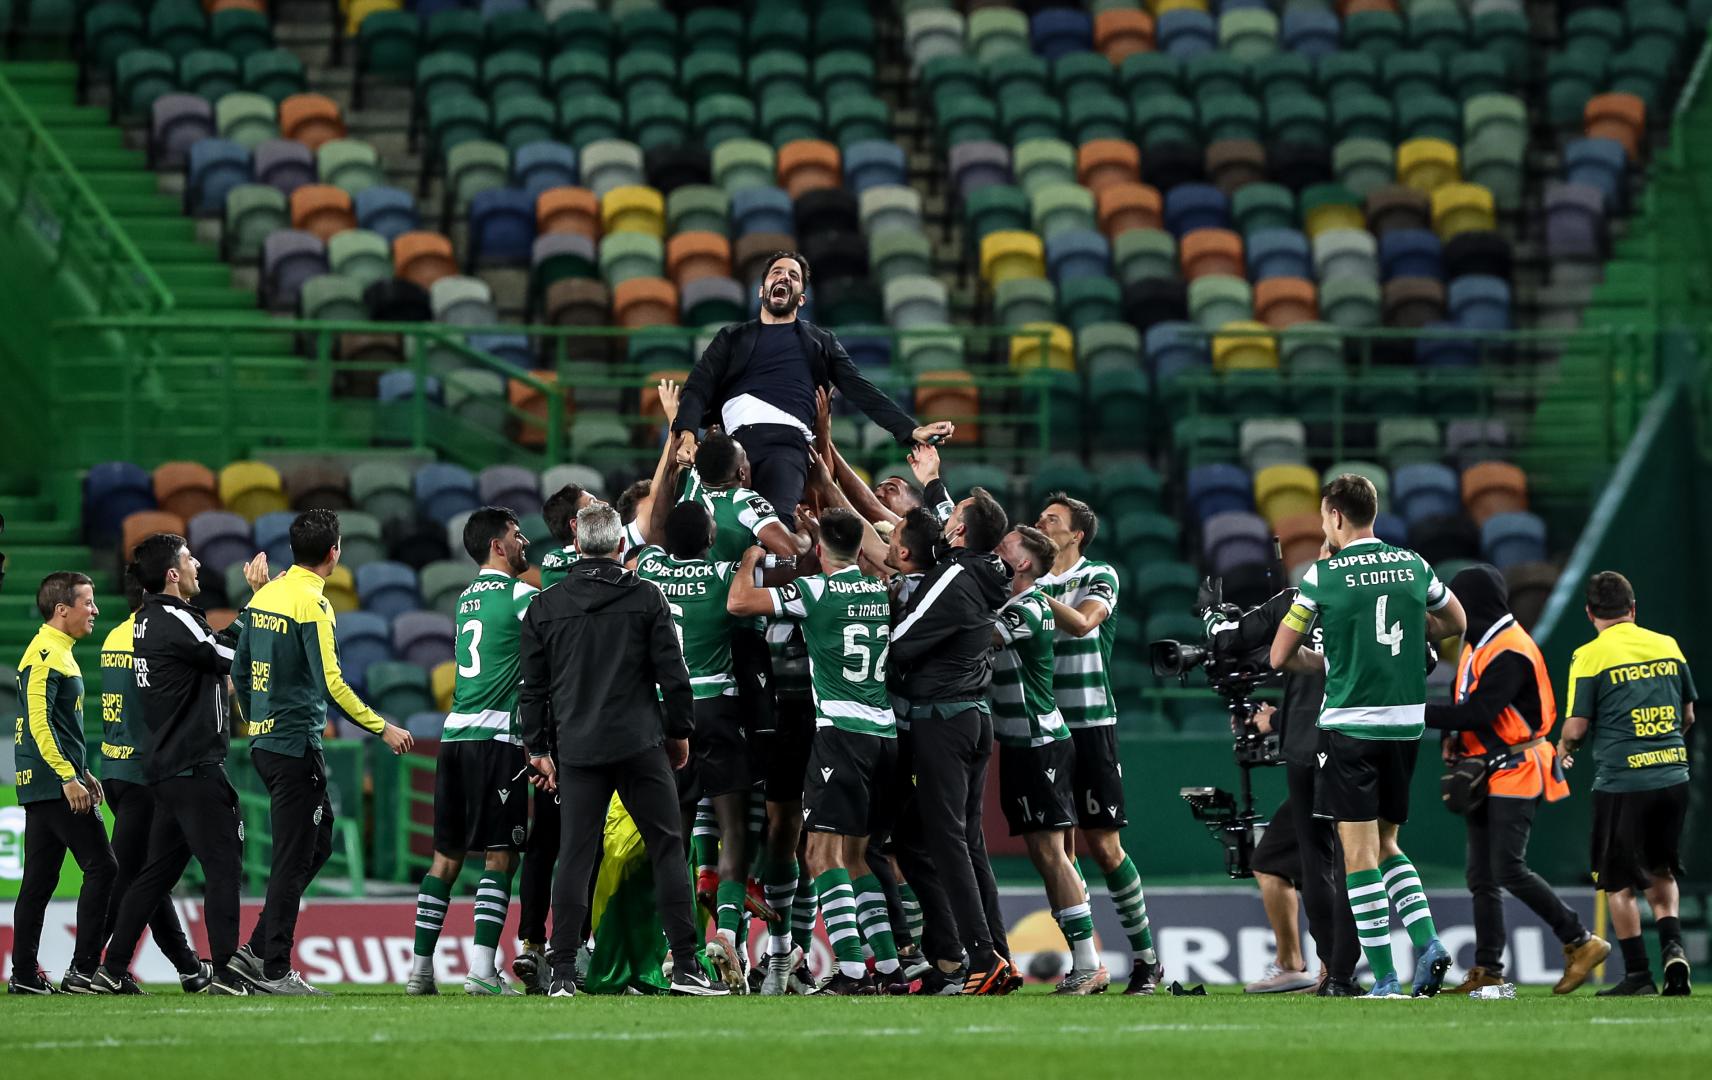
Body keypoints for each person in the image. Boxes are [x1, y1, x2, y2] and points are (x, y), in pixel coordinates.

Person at [1269, 474, 1466, 998]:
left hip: (1351, 727)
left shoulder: (1321, 576)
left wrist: (1329, 657)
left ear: (1334, 515)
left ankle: (1383, 978)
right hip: (1406, 726)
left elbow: (1279, 655)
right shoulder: (1413, 564)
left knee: (1357, 856)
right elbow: (1455, 621)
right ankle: (1428, 942)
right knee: (1388, 843)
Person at [519, 503, 726, 997]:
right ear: (620, 547)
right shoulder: (646, 596)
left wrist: (537, 747)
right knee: (667, 848)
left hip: (579, 748)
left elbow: (533, 689)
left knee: (574, 855)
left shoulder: (544, 606)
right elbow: (673, 678)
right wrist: (679, 733)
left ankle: (564, 972)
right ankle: (686, 966)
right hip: (639, 743)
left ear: (577, 548)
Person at [228, 509, 414, 995]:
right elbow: (332, 682)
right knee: (293, 858)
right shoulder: (313, 604)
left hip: (267, 742)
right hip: (294, 745)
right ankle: (273, 968)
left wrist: (256, 719)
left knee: (320, 840)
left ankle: (255, 949)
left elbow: (239, 672)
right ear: (335, 552)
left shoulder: (264, 596)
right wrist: (382, 727)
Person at [729, 508, 904, 995]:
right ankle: (888, 969)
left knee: (819, 854)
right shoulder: (878, 589)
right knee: (856, 858)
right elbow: (878, 553)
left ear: (822, 550)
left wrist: (749, 558)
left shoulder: (815, 591)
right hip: (885, 735)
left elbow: (741, 602)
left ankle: (850, 972)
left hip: (840, 734)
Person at [669, 249, 953, 525]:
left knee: (777, 528)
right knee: (718, 527)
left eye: (793, 276)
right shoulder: (731, 337)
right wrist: (689, 435)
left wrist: (911, 429)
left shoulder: (820, 341)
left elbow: (860, 389)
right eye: (776, 273)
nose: (784, 278)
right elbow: (698, 386)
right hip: (733, 446)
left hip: (789, 445)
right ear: (761, 289)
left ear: (801, 298)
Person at [1427, 565, 1608, 996]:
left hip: (1518, 765)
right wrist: (1451, 740)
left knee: (1507, 867)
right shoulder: (1479, 644)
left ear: (1473, 604)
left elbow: (1479, 713)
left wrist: (1409, 713)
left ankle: (1580, 939)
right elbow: (1461, 702)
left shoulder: (1511, 649)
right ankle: (1489, 969)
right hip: (1487, 767)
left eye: (1458, 603)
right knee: (1481, 875)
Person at [98, 534, 250, 995]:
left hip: (167, 768)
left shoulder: (148, 620)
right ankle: (224, 969)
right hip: (193, 765)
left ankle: (112, 967)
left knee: (156, 873)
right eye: (188, 558)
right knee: (224, 866)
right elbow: (223, 656)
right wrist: (255, 609)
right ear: (171, 574)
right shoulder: (171, 617)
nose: (197, 563)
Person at [1202, 558, 1361, 997]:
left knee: (1317, 864)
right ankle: (1358, 966)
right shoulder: (1375, 600)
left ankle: (1334, 971)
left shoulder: (1298, 599)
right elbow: (1421, 660)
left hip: (1314, 749)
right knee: (1368, 856)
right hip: (1372, 741)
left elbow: (1227, 640)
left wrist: (1212, 616)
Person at [1035, 493, 1163, 995]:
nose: (1041, 524)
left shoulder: (1099, 575)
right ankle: (1084, 963)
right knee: (1057, 850)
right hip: (1043, 727)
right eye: (1041, 517)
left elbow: (1085, 621)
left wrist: (1029, 594)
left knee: (1105, 848)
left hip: (1089, 724)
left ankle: (1145, 958)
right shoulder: (1032, 583)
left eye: (1052, 520)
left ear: (1075, 535)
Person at [888, 487, 1013, 995]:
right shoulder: (984, 570)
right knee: (946, 839)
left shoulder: (958, 576)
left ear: (960, 531)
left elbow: (901, 640)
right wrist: (935, 484)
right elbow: (949, 533)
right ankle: (996, 952)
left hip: (943, 717)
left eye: (952, 516)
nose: (945, 522)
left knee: (947, 841)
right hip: (971, 715)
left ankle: (982, 957)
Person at [408, 507, 537, 997]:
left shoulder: (464, 599)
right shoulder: (522, 596)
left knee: (445, 857)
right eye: (517, 535)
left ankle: (420, 970)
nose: (525, 542)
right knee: (500, 855)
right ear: (498, 547)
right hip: (496, 740)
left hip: (454, 738)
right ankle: (483, 969)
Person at [632, 500, 752, 992]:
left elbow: (645, 549)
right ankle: (725, 931)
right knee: (733, 827)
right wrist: (748, 558)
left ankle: (673, 946)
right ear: (708, 539)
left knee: (672, 837)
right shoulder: (727, 574)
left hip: (666, 712)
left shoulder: (651, 569)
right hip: (718, 707)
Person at [1560, 571, 1696, 997]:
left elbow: (1578, 727)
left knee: (1618, 882)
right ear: (1633, 609)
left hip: (1622, 782)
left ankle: (1638, 973)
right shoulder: (1667, 645)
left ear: (1589, 613)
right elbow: (1688, 715)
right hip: (1674, 775)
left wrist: (1565, 746)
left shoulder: (1590, 655)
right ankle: (1673, 947)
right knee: (1661, 872)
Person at [991, 527, 1108, 995]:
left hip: (1038, 743)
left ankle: (1089, 962)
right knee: (1055, 857)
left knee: (1051, 855)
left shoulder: (1024, 609)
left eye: (1005, 548)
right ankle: (1086, 960)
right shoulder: (1017, 604)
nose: (997, 551)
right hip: (1031, 742)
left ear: (1022, 565)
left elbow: (976, 643)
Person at [96, 571, 213, 994]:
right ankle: (89, 964)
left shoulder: (114, 638)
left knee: (149, 878)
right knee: (136, 877)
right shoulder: (157, 641)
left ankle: (188, 968)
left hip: (114, 767)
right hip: (146, 773)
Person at [7, 572, 115, 995]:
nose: (95, 610)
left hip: (51, 780)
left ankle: (23, 974)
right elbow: (39, 722)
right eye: (88, 602)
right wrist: (68, 776)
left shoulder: (56, 650)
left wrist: (81, 769)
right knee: (103, 867)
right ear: (61, 609)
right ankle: (83, 970)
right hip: (54, 784)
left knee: (39, 880)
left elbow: (58, 724)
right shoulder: (45, 653)